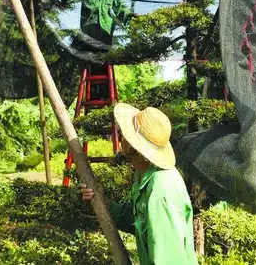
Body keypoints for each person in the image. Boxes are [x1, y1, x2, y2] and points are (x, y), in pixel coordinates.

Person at [80, 104, 197, 264]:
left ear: (138, 151)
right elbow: (134, 219)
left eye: (126, 136)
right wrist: (101, 201)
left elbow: (168, 258)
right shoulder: (143, 174)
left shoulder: (161, 190)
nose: (122, 139)